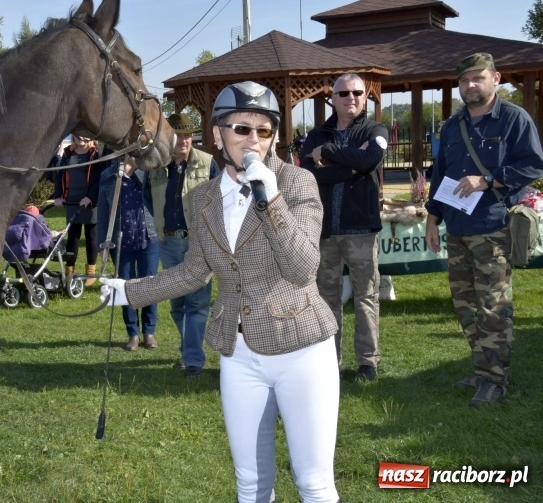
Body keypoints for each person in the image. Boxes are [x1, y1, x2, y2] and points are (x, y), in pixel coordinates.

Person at [101, 81, 340, 503]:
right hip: (240, 355)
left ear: (276, 136)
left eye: (263, 131)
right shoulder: (204, 198)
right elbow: (194, 271)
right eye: (241, 128)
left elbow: (303, 268)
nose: (253, 140)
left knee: (314, 484)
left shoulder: (298, 183)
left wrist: (270, 198)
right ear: (217, 135)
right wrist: (128, 292)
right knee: (249, 483)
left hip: (302, 350)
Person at [425, 52, 543, 407]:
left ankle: (494, 380)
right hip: (459, 227)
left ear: (496, 78)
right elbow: (440, 174)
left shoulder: (512, 118)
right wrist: (433, 217)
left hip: (493, 227)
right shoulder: (452, 125)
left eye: (477, 78)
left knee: (492, 305)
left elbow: (533, 164)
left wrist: (488, 180)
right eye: (464, 80)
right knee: (466, 305)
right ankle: (480, 368)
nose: (470, 85)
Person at [300, 72, 387, 381]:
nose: (351, 97)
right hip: (324, 231)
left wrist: (327, 155)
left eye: (358, 92)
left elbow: (371, 160)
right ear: (332, 99)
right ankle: (329, 361)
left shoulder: (375, 129)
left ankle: (367, 361)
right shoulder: (316, 134)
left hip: (361, 230)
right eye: (344, 93)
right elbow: (308, 174)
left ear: (365, 97)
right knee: (326, 299)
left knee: (366, 296)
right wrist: (352, 165)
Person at [148, 112, 220, 377]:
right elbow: (149, 198)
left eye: (189, 135)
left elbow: (219, 201)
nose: (185, 141)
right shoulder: (157, 165)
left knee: (198, 304)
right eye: (180, 135)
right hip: (168, 242)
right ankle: (188, 346)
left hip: (197, 244)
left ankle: (193, 359)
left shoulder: (209, 164)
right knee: (177, 304)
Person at [96, 155, 159, 351]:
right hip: (121, 241)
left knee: (149, 285)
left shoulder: (148, 171)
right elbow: (103, 211)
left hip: (148, 237)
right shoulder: (108, 175)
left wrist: (134, 168)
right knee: (124, 287)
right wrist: (102, 244)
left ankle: (149, 332)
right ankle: (132, 333)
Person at [54, 135, 105, 285]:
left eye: (85, 134)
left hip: (90, 201)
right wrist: (58, 196)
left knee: (91, 236)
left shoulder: (96, 153)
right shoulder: (68, 153)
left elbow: (100, 178)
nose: (81, 137)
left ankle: (90, 273)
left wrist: (90, 197)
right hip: (72, 200)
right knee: (73, 237)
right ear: (74, 136)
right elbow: (60, 174)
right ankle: (69, 272)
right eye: (78, 134)